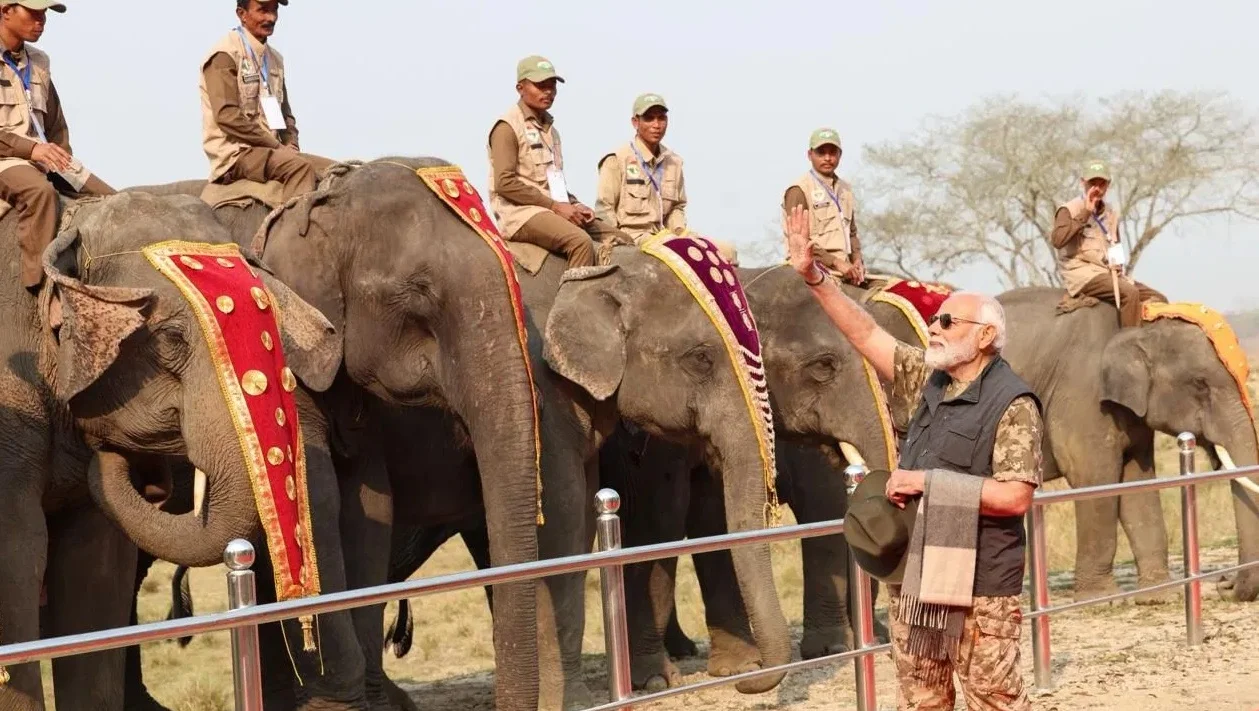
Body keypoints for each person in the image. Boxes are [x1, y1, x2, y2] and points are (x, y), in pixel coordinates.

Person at [785, 204, 1041, 710]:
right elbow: (865, 334)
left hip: (981, 589)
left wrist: (925, 483)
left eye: (948, 320)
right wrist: (815, 279)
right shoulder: (928, 379)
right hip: (916, 578)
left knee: (996, 704)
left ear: (985, 336)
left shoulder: (1013, 402)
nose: (934, 328)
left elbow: (1014, 497)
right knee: (921, 703)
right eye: (933, 319)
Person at [0, 0, 115, 290]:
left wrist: (65, 162)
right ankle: (39, 288)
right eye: (34, 12)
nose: (42, 20)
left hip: (41, 156)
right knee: (40, 193)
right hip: (7, 159)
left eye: (45, 14)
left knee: (115, 200)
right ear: (6, 11)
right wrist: (32, 150)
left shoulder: (39, 61)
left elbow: (55, 125)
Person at [487, 55, 626, 269]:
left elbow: (553, 182)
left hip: (554, 208)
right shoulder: (507, 127)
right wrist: (554, 206)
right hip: (521, 214)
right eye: (541, 85)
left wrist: (575, 204)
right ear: (520, 88)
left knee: (623, 240)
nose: (548, 91)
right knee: (580, 242)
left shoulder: (551, 132)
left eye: (552, 86)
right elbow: (504, 183)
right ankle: (572, 303)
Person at [198, 0, 333, 202]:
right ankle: (293, 232)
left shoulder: (274, 59)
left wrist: (291, 143)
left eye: (274, 10)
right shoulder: (224, 54)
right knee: (300, 168)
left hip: (273, 152)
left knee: (337, 171)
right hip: (237, 155)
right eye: (262, 10)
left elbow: (286, 117)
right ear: (242, 14)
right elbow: (227, 117)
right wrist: (278, 148)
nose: (271, 18)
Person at [595, 93, 738, 264]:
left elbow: (677, 206)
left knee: (727, 251)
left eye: (661, 118)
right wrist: (618, 242)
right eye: (649, 118)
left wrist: (679, 231)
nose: (656, 125)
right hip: (634, 237)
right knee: (677, 255)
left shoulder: (673, 162)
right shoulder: (617, 159)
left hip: (668, 235)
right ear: (635, 122)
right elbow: (605, 208)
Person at [1051, 160, 1166, 328]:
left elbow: (1115, 243)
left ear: (1108, 185)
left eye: (1101, 183)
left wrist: (1118, 263)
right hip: (1082, 272)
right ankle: (1128, 346)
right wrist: (1086, 213)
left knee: (1159, 298)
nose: (1097, 188)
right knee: (1130, 293)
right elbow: (1057, 240)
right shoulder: (1069, 209)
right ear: (1083, 183)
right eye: (1092, 183)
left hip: (1108, 273)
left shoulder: (1111, 213)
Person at [781, 128, 864, 284]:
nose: (827, 158)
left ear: (840, 155)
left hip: (844, 270)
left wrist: (857, 259)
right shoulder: (799, 189)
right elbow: (799, 241)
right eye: (821, 153)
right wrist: (836, 262)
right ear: (810, 155)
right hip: (811, 269)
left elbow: (852, 232)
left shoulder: (845, 189)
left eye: (832, 153)